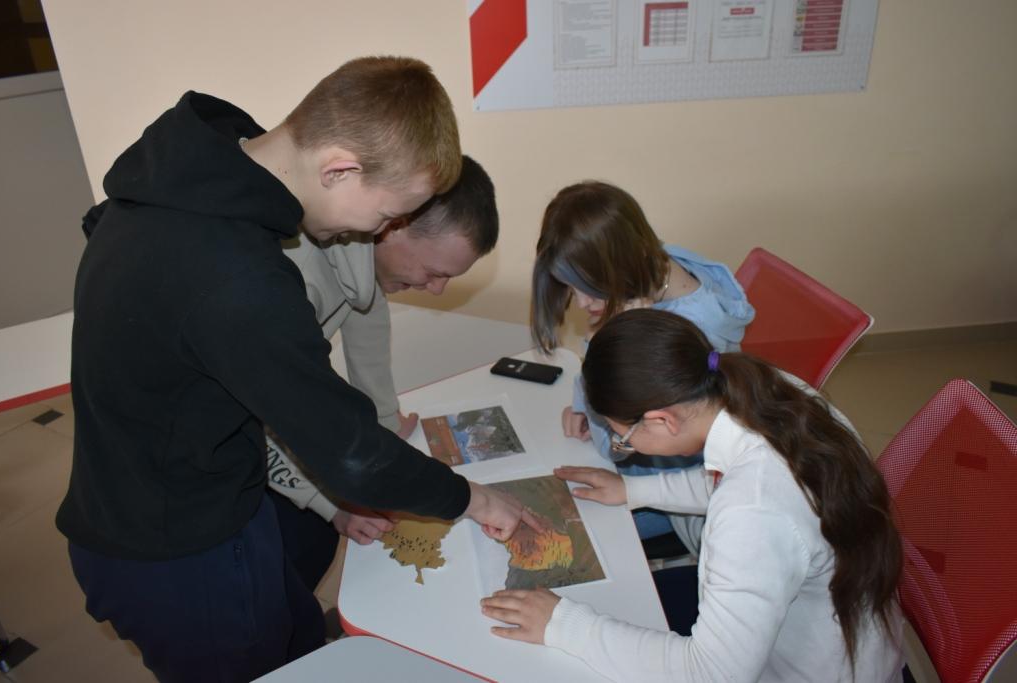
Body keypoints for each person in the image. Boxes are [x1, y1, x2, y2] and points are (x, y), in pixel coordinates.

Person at [57, 56, 536, 682]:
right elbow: (350, 452)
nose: (379, 232)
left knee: (301, 640)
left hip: (212, 498)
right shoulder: (237, 276)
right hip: (175, 550)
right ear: (340, 168)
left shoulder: (186, 185)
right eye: (387, 215)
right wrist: (473, 499)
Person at [481, 309, 905, 682]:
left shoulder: (752, 513)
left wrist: (563, 624)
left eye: (622, 435)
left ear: (662, 420)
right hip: (842, 635)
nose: (623, 444)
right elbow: (733, 480)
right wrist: (634, 488)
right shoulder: (774, 392)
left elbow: (709, 673)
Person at [267, 155, 499, 590]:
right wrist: (327, 502)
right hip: (194, 460)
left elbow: (368, 330)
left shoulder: (361, 254)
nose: (437, 289)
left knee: (322, 546)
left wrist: (385, 423)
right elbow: (259, 413)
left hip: (276, 418)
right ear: (395, 225)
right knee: (289, 564)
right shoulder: (291, 279)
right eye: (434, 273)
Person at [531, 181, 754, 550]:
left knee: (566, 532)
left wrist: (611, 341)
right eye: (570, 287)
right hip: (662, 464)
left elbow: (615, 444)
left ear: (622, 266)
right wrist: (586, 401)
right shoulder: (659, 263)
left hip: (681, 490)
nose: (581, 303)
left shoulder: (684, 332)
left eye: (589, 287)